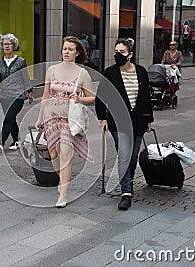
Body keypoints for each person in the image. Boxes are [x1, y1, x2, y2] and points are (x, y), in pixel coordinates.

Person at [35, 36, 95, 208]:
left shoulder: (82, 73)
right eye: (64, 48)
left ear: (77, 53)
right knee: (53, 154)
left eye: (70, 49)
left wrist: (79, 99)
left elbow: (92, 98)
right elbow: (45, 96)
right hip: (51, 117)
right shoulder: (51, 70)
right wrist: (40, 118)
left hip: (70, 119)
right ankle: (62, 181)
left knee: (66, 155)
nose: (66, 52)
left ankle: (64, 194)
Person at [95, 38, 154, 210]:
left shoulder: (141, 72)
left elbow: (145, 97)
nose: (117, 55)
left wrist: (149, 119)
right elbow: (101, 97)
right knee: (123, 155)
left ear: (130, 54)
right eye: (116, 52)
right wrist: (103, 118)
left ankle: (127, 180)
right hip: (117, 121)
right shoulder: (110, 73)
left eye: (121, 52)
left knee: (133, 157)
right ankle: (126, 192)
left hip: (138, 121)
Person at [0, 33, 33, 153]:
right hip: (4, 96)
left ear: (14, 45)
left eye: (9, 44)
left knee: (8, 118)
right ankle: (16, 140)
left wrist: (29, 92)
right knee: (11, 119)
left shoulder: (20, 62)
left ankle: (1, 142)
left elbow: (25, 78)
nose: (7, 46)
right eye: (4, 44)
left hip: (18, 95)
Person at [161, 40, 183, 105]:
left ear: (176, 45)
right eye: (170, 45)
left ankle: (172, 96)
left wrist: (175, 64)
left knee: (173, 84)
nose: (171, 46)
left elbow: (180, 62)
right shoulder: (166, 52)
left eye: (173, 45)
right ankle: (164, 95)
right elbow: (163, 60)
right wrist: (162, 65)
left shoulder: (179, 53)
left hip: (174, 70)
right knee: (164, 83)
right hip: (167, 69)